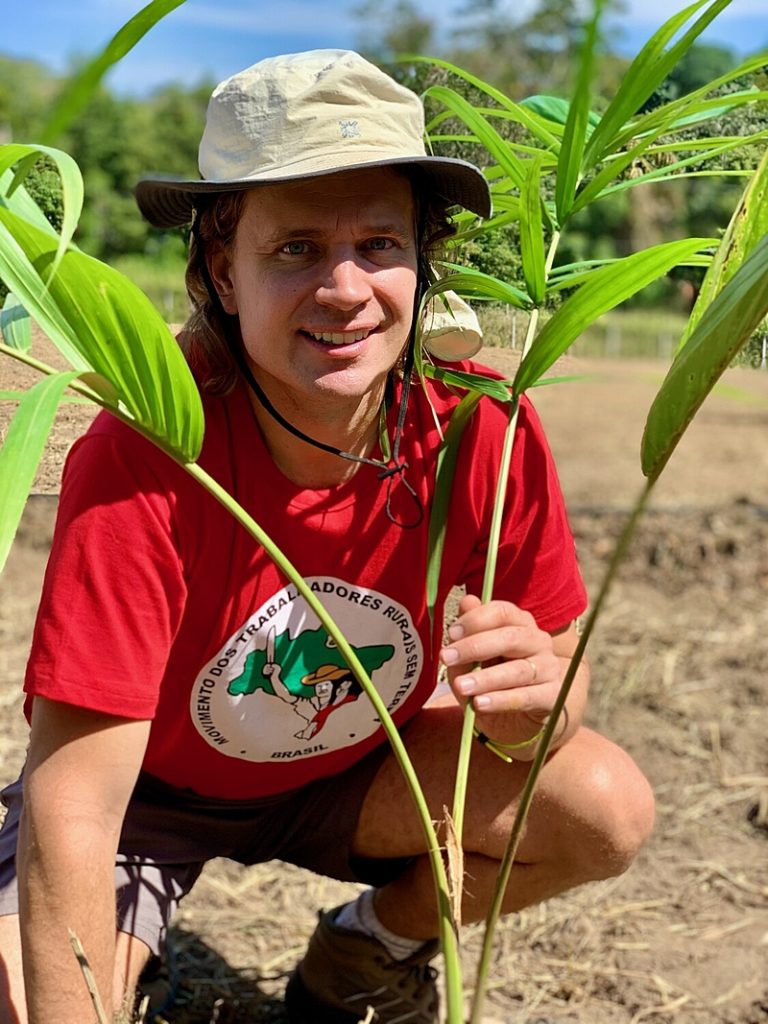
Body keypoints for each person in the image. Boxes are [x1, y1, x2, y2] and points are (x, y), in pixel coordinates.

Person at [0, 49, 655, 1024]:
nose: (346, 287)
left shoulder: (482, 428)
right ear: (222, 270)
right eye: (295, 248)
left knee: (604, 804)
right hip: (149, 798)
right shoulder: (149, 452)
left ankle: (366, 949)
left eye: (380, 245)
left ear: (422, 258)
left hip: (353, 778)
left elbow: (557, 684)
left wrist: (534, 710)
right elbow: (78, 799)